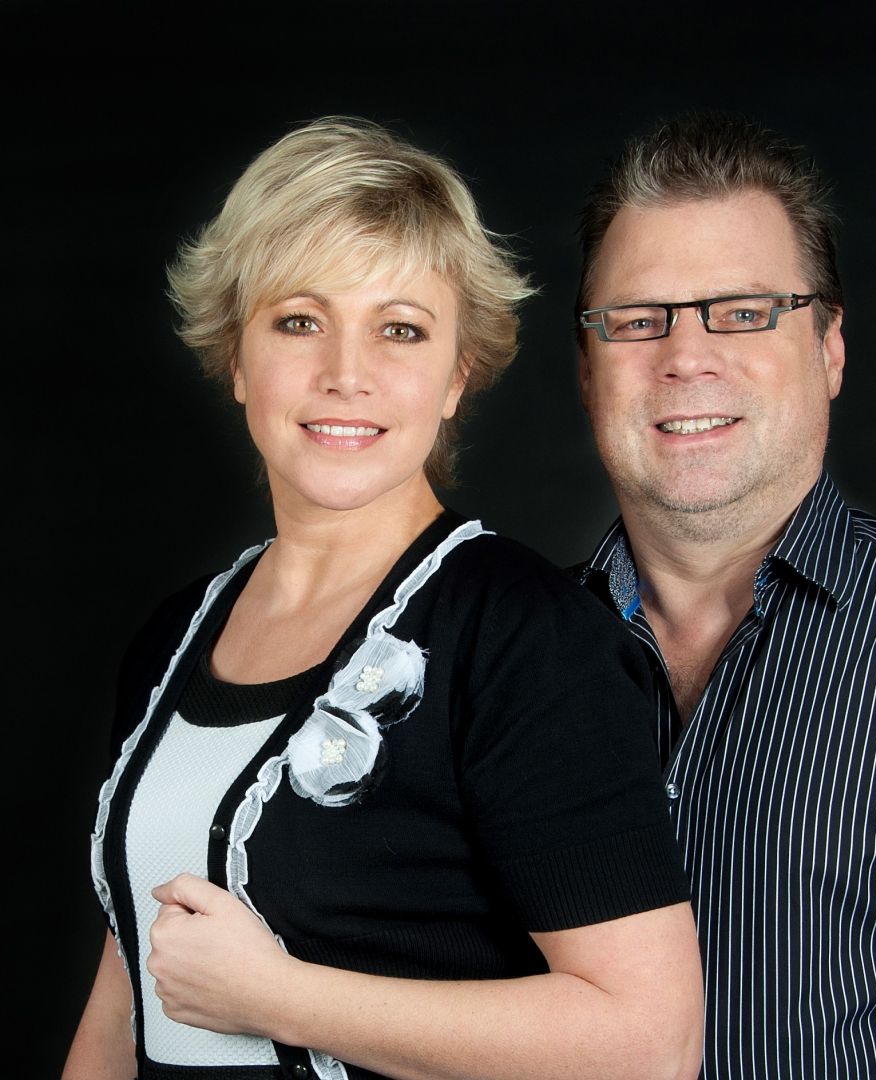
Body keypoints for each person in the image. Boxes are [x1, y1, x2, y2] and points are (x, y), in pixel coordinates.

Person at [62, 116, 703, 1080]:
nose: (345, 375)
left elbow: (649, 1044)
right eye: (298, 321)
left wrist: (281, 999)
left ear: (456, 376)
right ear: (236, 358)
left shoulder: (524, 640)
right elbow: (128, 997)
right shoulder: (175, 639)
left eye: (399, 329)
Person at [572, 111, 876, 1078]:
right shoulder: (496, 658)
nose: (684, 356)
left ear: (829, 349)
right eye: (638, 319)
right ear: (586, 370)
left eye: (744, 312)